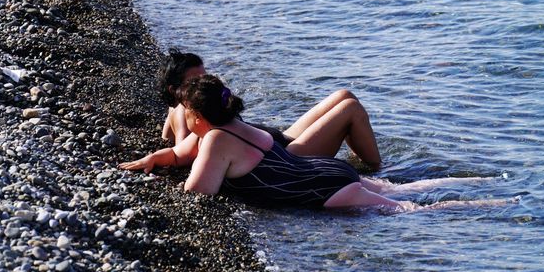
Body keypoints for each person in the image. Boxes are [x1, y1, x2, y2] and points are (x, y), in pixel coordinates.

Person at [120, 74, 506, 212]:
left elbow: (198, 192)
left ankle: (495, 204)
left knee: (411, 210)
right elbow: (181, 153)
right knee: (409, 189)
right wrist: (155, 158)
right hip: (327, 171)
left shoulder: (215, 142)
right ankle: (487, 185)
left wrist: (182, 170)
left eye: (185, 112)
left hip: (326, 190)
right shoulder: (234, 126)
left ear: (197, 119)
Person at [159, 48, 381, 168]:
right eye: (194, 80)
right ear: (173, 89)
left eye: (204, 76)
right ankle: (376, 170)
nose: (202, 83)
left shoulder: (179, 107)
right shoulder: (184, 110)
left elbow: (168, 134)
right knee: (351, 108)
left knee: (344, 95)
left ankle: (357, 158)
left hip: (280, 140)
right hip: (285, 157)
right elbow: (185, 149)